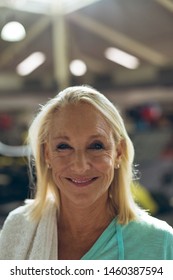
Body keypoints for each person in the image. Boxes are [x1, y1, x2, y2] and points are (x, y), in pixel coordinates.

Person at [0, 85, 173, 260]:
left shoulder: (160, 242)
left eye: (96, 146)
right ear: (47, 155)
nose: (80, 167)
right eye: (63, 147)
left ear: (118, 153)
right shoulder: (17, 228)